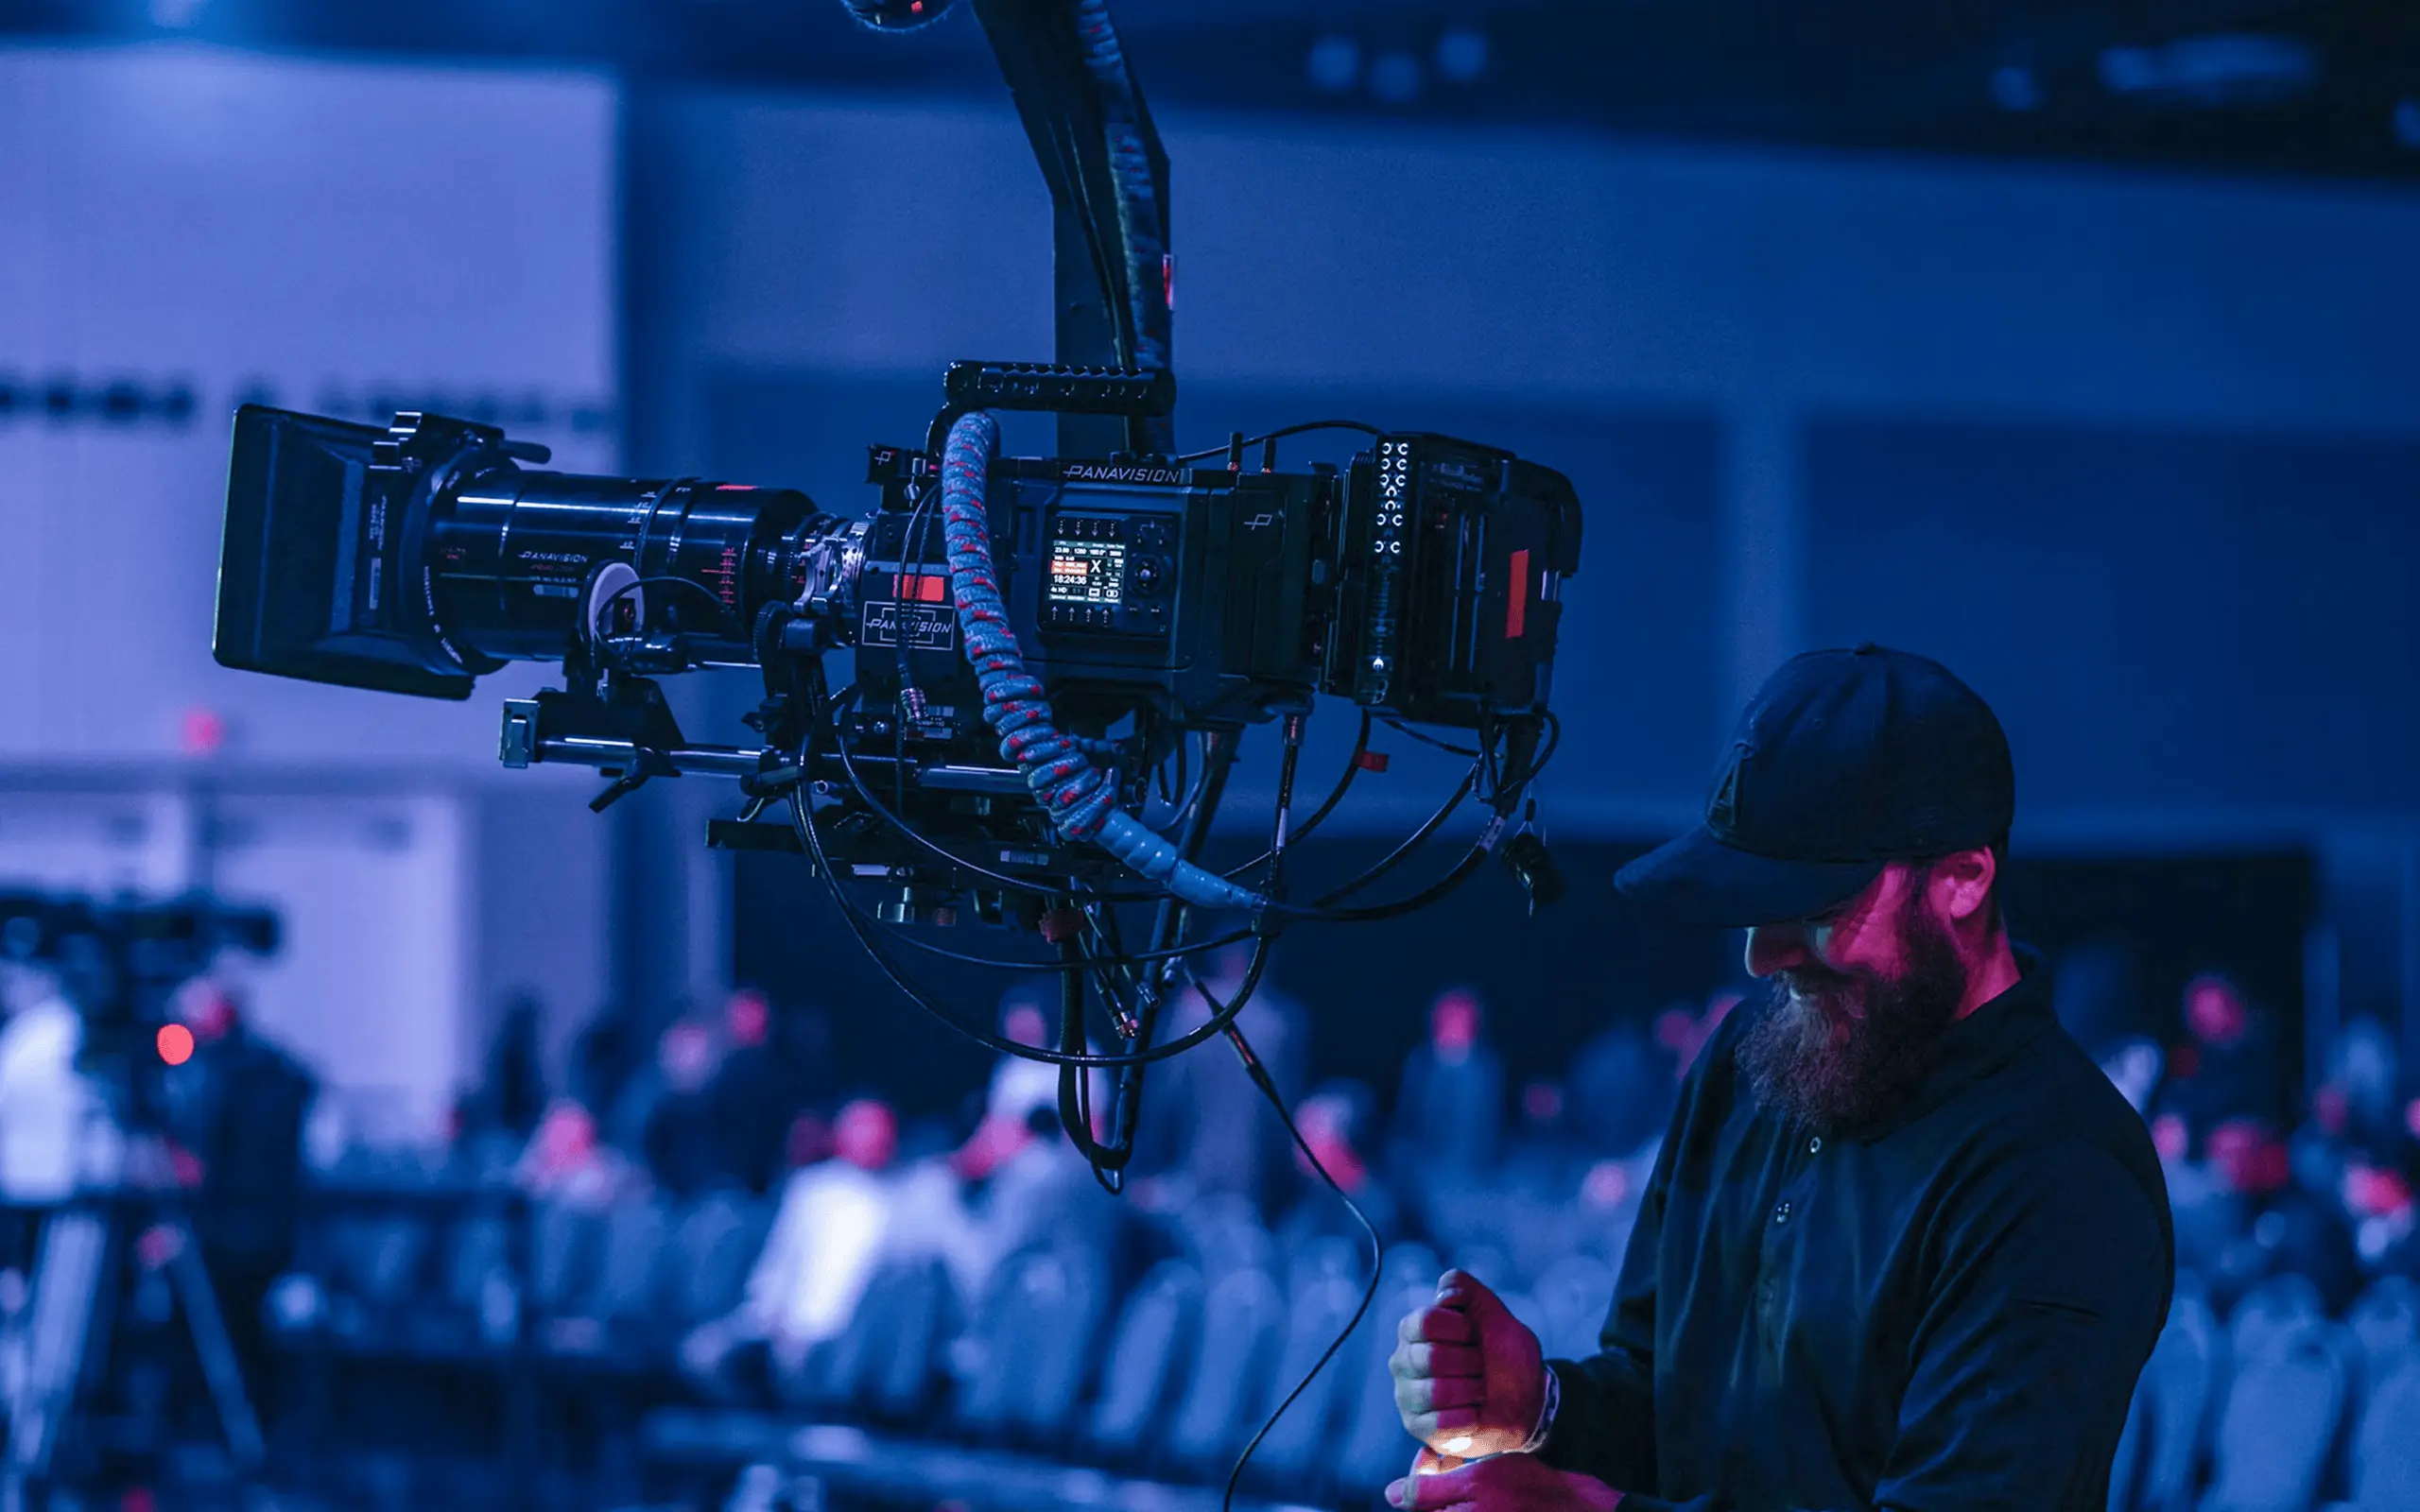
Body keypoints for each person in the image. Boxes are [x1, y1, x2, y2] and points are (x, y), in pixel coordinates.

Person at [1386, 645, 2172, 1512]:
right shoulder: (1745, 1062)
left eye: (1819, 909)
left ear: (1963, 878)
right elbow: (1666, 1408)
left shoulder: (2058, 1171)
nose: (1764, 955)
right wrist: (1541, 1406)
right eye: (1757, 905)